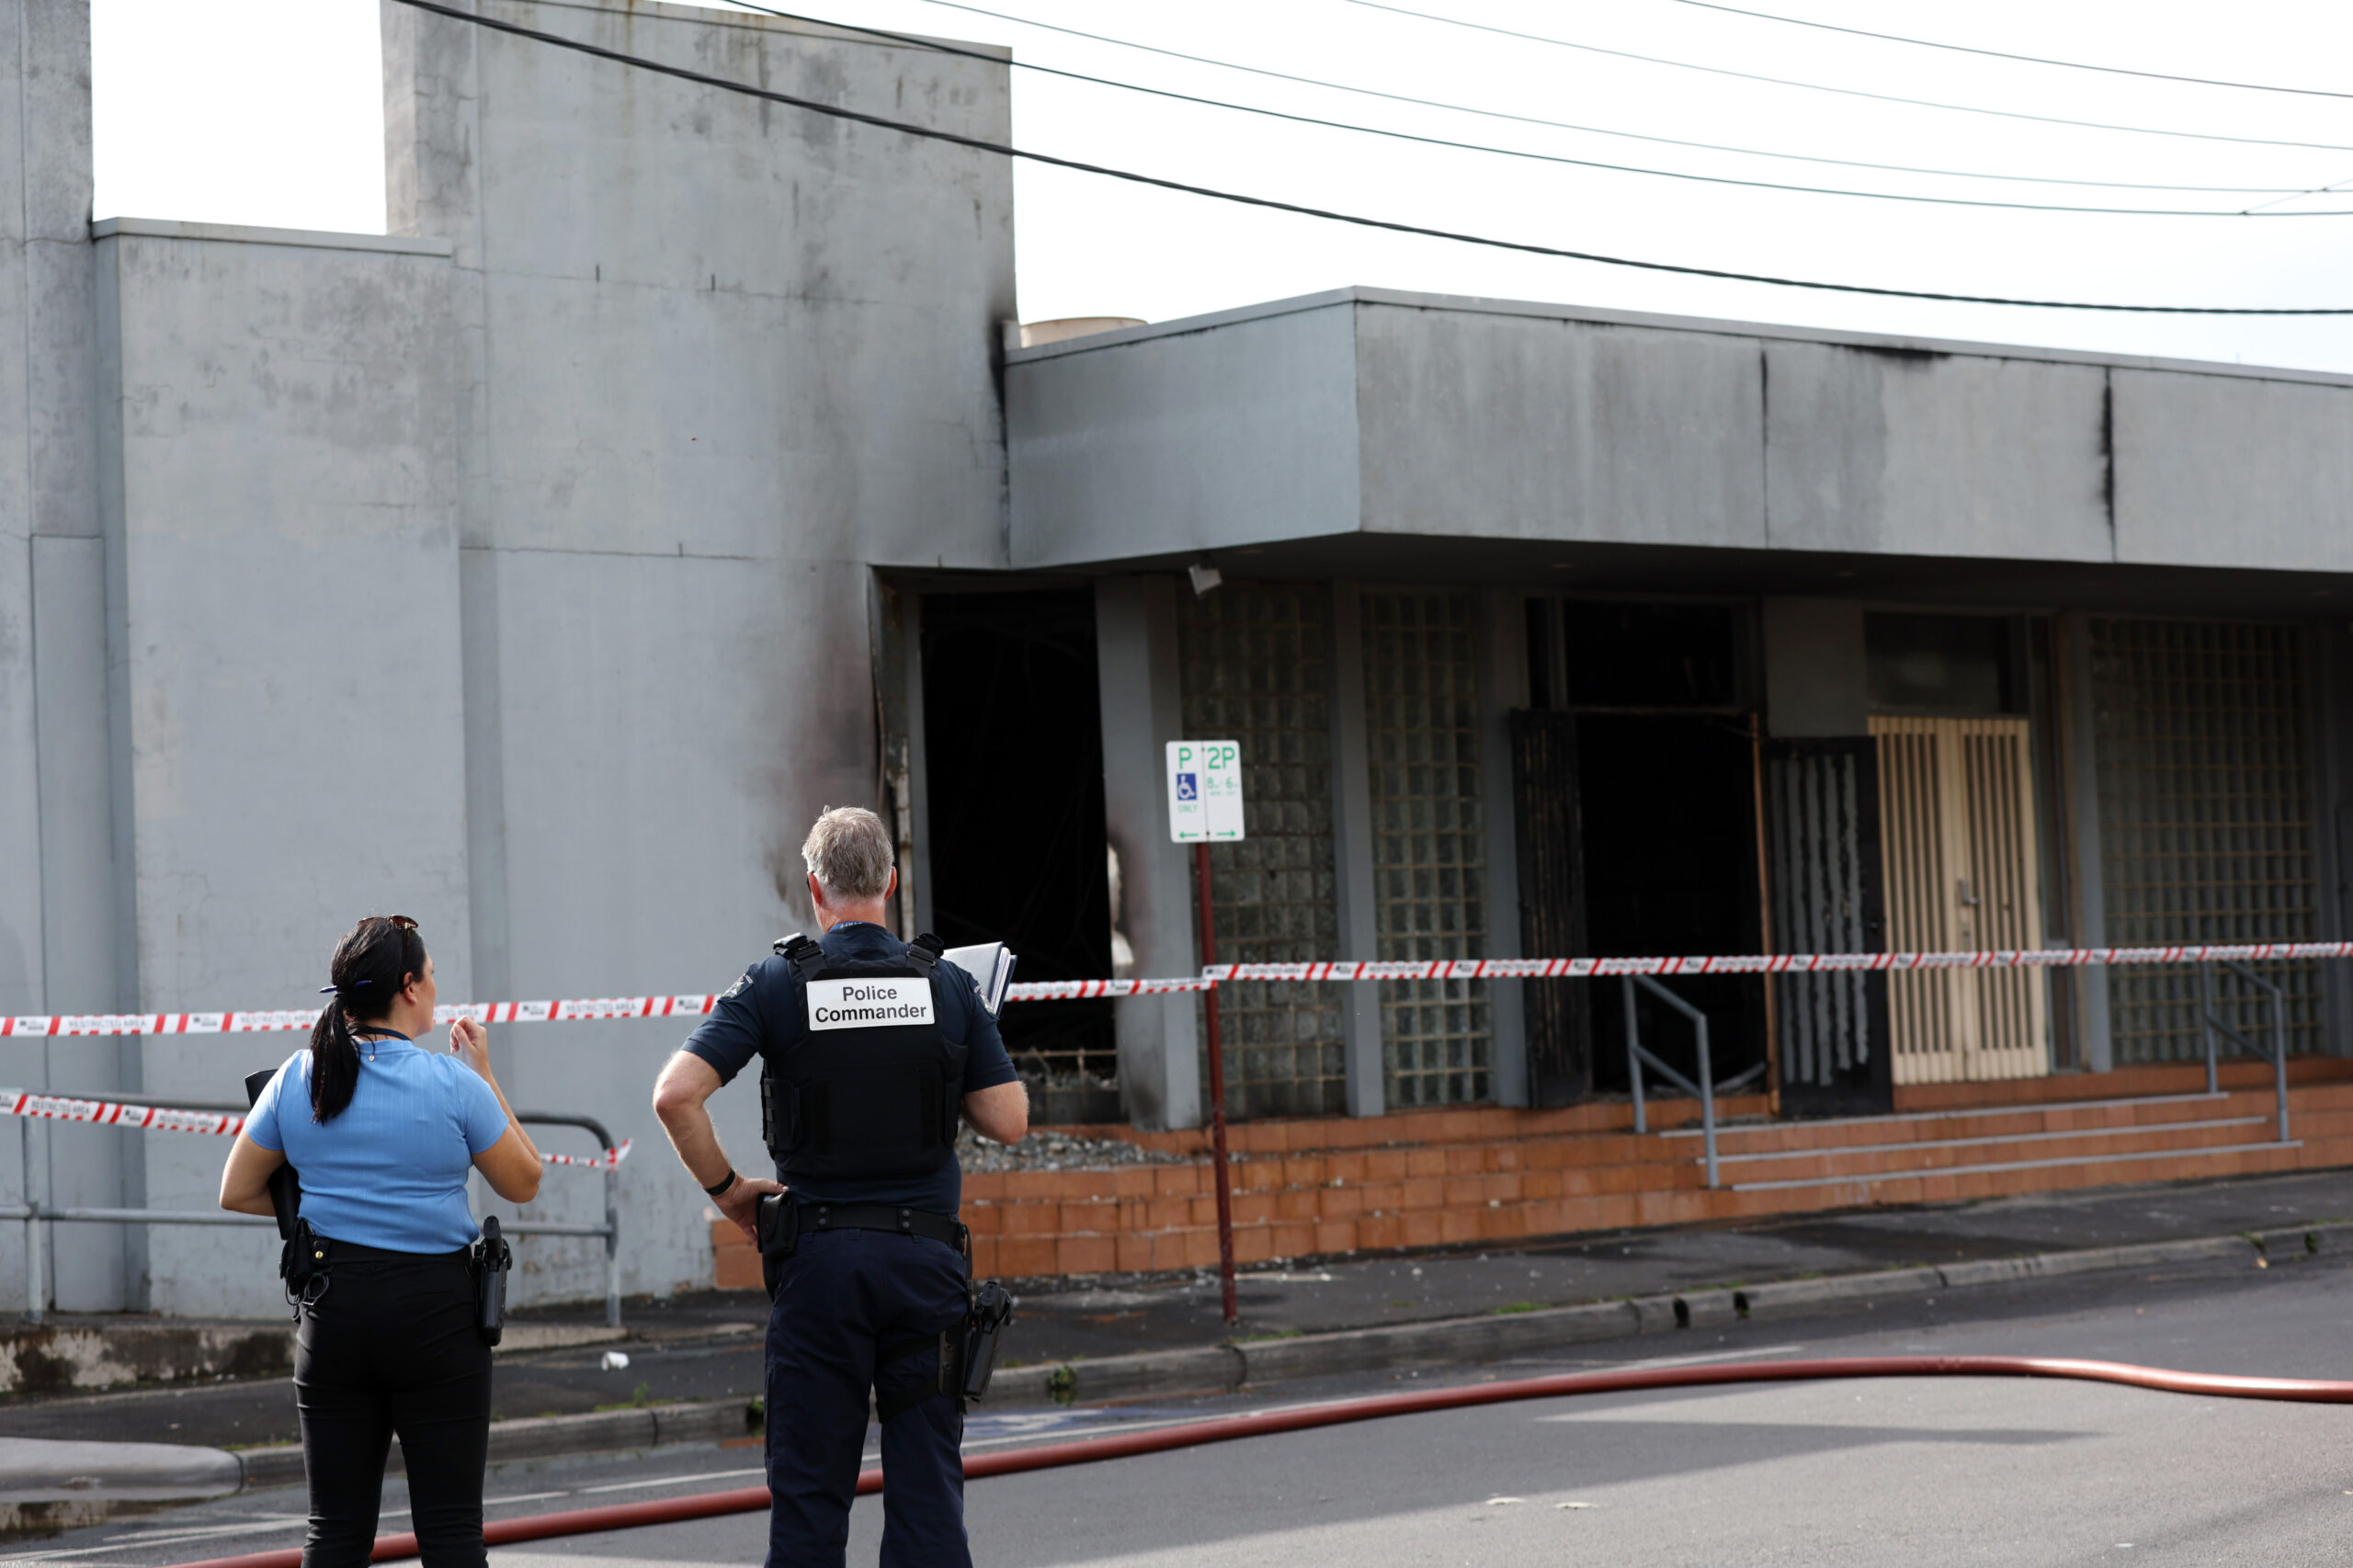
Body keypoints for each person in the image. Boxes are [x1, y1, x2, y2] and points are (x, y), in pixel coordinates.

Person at [653, 806, 1028, 1568]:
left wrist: (730, 1193)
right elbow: (1009, 1120)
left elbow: (675, 1095)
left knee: (809, 1504)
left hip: (819, 1269)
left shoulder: (774, 982)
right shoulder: (949, 984)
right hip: (925, 1269)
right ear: (890, 883)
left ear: (813, 890)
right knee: (928, 1504)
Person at [220, 915, 544, 1568]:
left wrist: (323, 1209)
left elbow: (237, 1189)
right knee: (451, 1532)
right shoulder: (453, 1084)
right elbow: (523, 1181)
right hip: (439, 1317)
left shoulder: (300, 1076)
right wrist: (483, 1073)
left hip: (334, 1307)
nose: (434, 986)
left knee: (334, 1534)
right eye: (431, 975)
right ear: (408, 987)